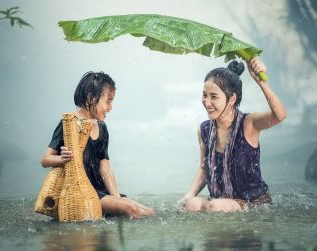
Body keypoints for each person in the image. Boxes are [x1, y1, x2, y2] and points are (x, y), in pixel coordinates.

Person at [179, 57, 287, 212]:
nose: (206, 102)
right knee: (192, 204)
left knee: (214, 206)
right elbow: (204, 168)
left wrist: (260, 81)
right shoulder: (204, 130)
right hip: (220, 202)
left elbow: (280, 115)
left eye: (213, 97)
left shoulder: (249, 124)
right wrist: (189, 194)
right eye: (204, 95)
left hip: (253, 204)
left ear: (232, 99)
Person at [41, 71, 155, 218]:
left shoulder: (102, 127)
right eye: (108, 101)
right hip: (82, 193)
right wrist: (61, 159)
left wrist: (117, 198)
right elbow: (45, 160)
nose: (110, 107)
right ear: (91, 97)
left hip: (100, 191)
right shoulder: (69, 124)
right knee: (131, 209)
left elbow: (105, 167)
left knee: (148, 212)